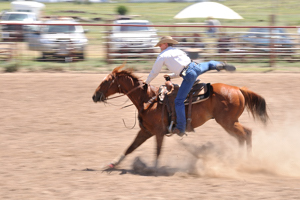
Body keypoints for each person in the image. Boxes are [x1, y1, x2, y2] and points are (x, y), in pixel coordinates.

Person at [144, 36, 236, 136]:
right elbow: (183, 68)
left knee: (178, 101)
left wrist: (146, 83)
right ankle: (219, 64)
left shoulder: (162, 55)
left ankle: (181, 127)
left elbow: (154, 72)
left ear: (165, 44)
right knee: (209, 64)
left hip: (189, 74)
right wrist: (171, 76)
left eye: (161, 44)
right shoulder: (177, 51)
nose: (160, 47)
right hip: (195, 66)